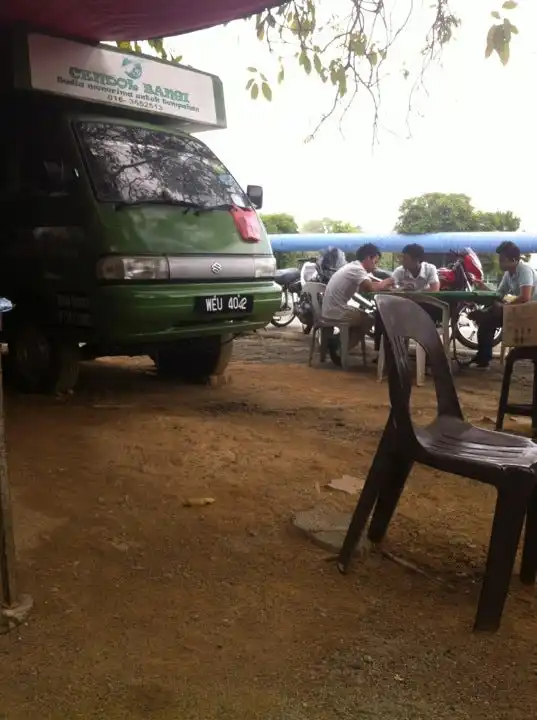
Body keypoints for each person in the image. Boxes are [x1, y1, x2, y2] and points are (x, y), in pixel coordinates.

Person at [470, 240, 537, 368]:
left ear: (513, 259)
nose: (500, 262)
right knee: (488, 319)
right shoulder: (508, 274)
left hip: (531, 313)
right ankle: (483, 358)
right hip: (521, 310)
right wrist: (483, 287)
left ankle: (483, 358)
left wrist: (504, 307)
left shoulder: (524, 270)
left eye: (502, 259)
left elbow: (525, 297)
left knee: (489, 317)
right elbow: (499, 294)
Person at [322, 243, 394, 348]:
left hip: (330, 309)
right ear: (368, 258)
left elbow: (366, 286)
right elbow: (371, 288)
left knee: (362, 317)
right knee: (369, 320)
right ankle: (341, 348)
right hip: (336, 311)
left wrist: (381, 284)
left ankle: (339, 341)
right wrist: (386, 282)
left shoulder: (353, 266)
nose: (375, 266)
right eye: (375, 262)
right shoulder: (357, 269)